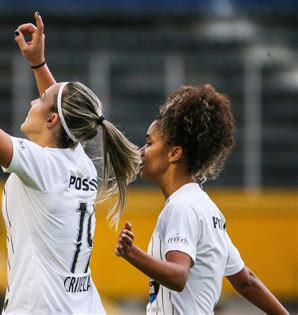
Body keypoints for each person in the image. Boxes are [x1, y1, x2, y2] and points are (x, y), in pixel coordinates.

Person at [0, 6, 139, 314]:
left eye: (41, 100)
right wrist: (38, 64)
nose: (33, 100)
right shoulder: (79, 162)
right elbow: (62, 109)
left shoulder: (43, 165)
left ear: (51, 121)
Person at [114, 85, 289, 314]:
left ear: (174, 153)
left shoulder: (181, 206)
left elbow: (178, 276)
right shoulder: (207, 208)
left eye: (149, 143)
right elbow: (246, 280)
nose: (141, 151)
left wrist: (131, 253)